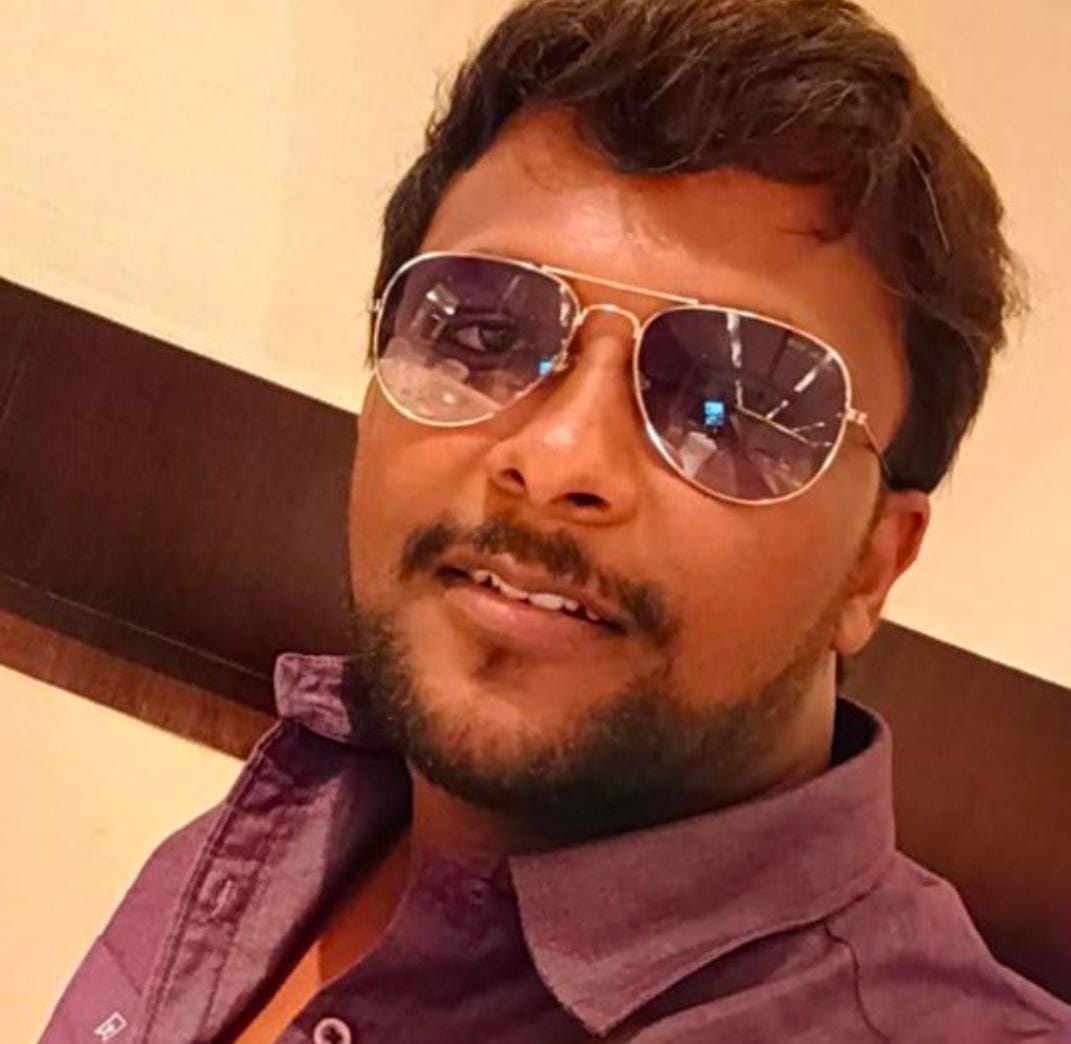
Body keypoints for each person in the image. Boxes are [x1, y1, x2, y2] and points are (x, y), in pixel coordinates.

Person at [41, 1, 1071, 1041]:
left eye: (732, 404)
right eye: (485, 333)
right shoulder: (292, 815)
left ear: (873, 565)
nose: (557, 460)